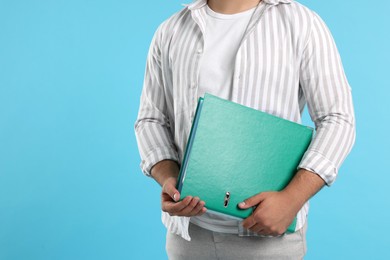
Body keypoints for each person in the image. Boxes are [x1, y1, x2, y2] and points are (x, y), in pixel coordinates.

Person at [134, 0, 356, 259]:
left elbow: (338, 118)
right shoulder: (171, 31)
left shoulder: (302, 23)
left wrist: (292, 199)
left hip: (268, 239)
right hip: (188, 235)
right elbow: (151, 120)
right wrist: (168, 178)